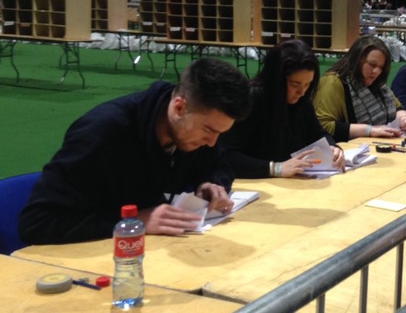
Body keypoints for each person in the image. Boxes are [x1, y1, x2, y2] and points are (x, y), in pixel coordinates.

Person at [19, 58, 252, 245]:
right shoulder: (101, 134)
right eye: (209, 130)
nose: (212, 142)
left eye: (220, 134)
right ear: (180, 107)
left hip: (157, 252)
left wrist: (210, 183)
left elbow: (219, 163)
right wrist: (135, 220)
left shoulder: (192, 131)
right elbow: (38, 223)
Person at [219, 40, 345, 178]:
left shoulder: (302, 101)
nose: (302, 92)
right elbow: (226, 155)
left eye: (308, 84)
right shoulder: (250, 99)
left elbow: (317, 134)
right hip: (255, 184)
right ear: (276, 79)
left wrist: (332, 148)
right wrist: (275, 168)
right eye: (295, 84)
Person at [314, 35, 406, 142]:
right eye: (372, 64)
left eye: (381, 67)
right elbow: (323, 125)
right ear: (356, 61)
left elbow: (397, 107)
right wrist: (369, 130)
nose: (377, 71)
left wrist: (404, 118)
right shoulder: (333, 82)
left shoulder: (378, 83)